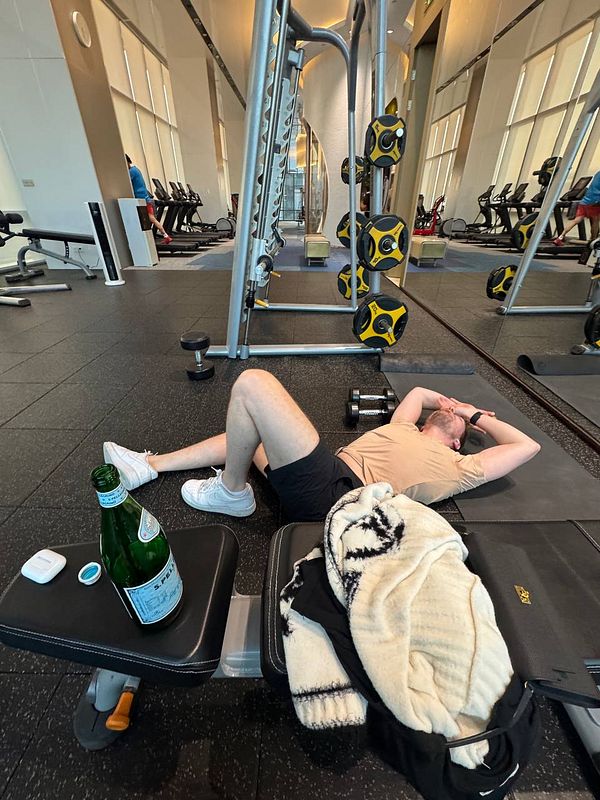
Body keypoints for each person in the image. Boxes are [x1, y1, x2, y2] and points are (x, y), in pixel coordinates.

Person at [103, 371, 541, 522]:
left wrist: (473, 415)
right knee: (249, 427)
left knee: (255, 385)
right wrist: (448, 404)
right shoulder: (407, 428)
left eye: (454, 425)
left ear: (458, 441)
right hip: (325, 477)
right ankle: (150, 465)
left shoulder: (460, 465)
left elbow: (527, 446)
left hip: (343, 498)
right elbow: (421, 393)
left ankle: (232, 493)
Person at [125, 154, 172, 244]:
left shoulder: (132, 171)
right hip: (144, 199)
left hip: (142, 200)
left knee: (151, 219)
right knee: (150, 219)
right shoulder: (136, 169)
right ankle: (165, 236)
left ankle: (166, 236)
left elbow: (126, 182)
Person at [554, 169, 600, 246]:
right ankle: (593, 241)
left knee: (576, 220)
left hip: (585, 201)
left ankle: (560, 237)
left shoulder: (598, 173)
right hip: (595, 201)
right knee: (595, 221)